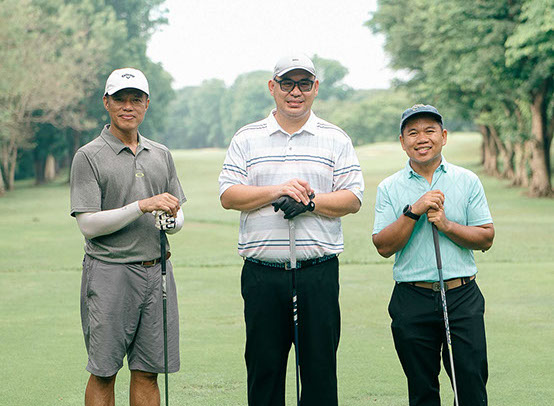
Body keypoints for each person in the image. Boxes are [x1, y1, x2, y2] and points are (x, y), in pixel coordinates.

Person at [218, 54, 364, 406]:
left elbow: (353, 198)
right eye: (287, 83)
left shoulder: (335, 138)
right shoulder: (247, 137)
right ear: (273, 87)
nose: (295, 92)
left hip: (318, 274)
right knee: (264, 374)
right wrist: (278, 191)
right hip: (263, 275)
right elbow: (228, 195)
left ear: (315, 88)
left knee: (319, 376)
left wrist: (311, 202)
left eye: (304, 84)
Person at [70, 68, 186, 406]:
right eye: (120, 99)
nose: (127, 106)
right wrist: (142, 206)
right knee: (104, 371)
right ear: (106, 102)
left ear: (146, 104)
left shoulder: (161, 153)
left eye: (136, 99)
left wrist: (172, 221)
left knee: (148, 372)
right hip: (110, 272)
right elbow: (88, 224)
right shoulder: (88, 156)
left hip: (156, 272)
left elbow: (177, 213)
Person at [372, 104, 495, 405]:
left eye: (430, 130)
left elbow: (486, 237)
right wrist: (414, 211)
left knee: (470, 386)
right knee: (422, 390)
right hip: (411, 298)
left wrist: (447, 225)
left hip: (461, 296)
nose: (422, 138)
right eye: (413, 132)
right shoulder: (389, 187)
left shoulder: (467, 180)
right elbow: (384, 246)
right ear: (402, 142)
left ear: (444, 136)